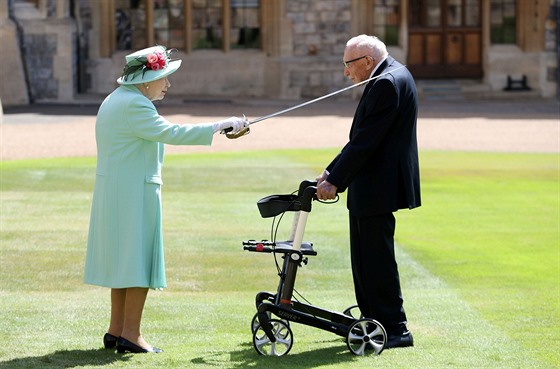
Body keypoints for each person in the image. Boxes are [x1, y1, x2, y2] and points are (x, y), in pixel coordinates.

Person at [84, 45, 248, 354]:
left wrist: (221, 128)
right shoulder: (135, 105)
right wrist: (220, 126)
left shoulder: (116, 99)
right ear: (146, 80)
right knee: (138, 262)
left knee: (125, 262)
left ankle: (117, 330)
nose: (167, 84)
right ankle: (131, 334)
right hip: (133, 193)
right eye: (164, 77)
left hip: (118, 192)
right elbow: (171, 132)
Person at [316, 35, 420, 349]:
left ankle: (394, 327)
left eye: (348, 65)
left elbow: (366, 141)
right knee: (365, 257)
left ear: (367, 62)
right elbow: (363, 138)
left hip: (377, 185)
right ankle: (373, 316)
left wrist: (334, 179)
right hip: (372, 184)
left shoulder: (387, 83)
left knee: (375, 259)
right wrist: (330, 171)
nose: (346, 73)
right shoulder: (390, 75)